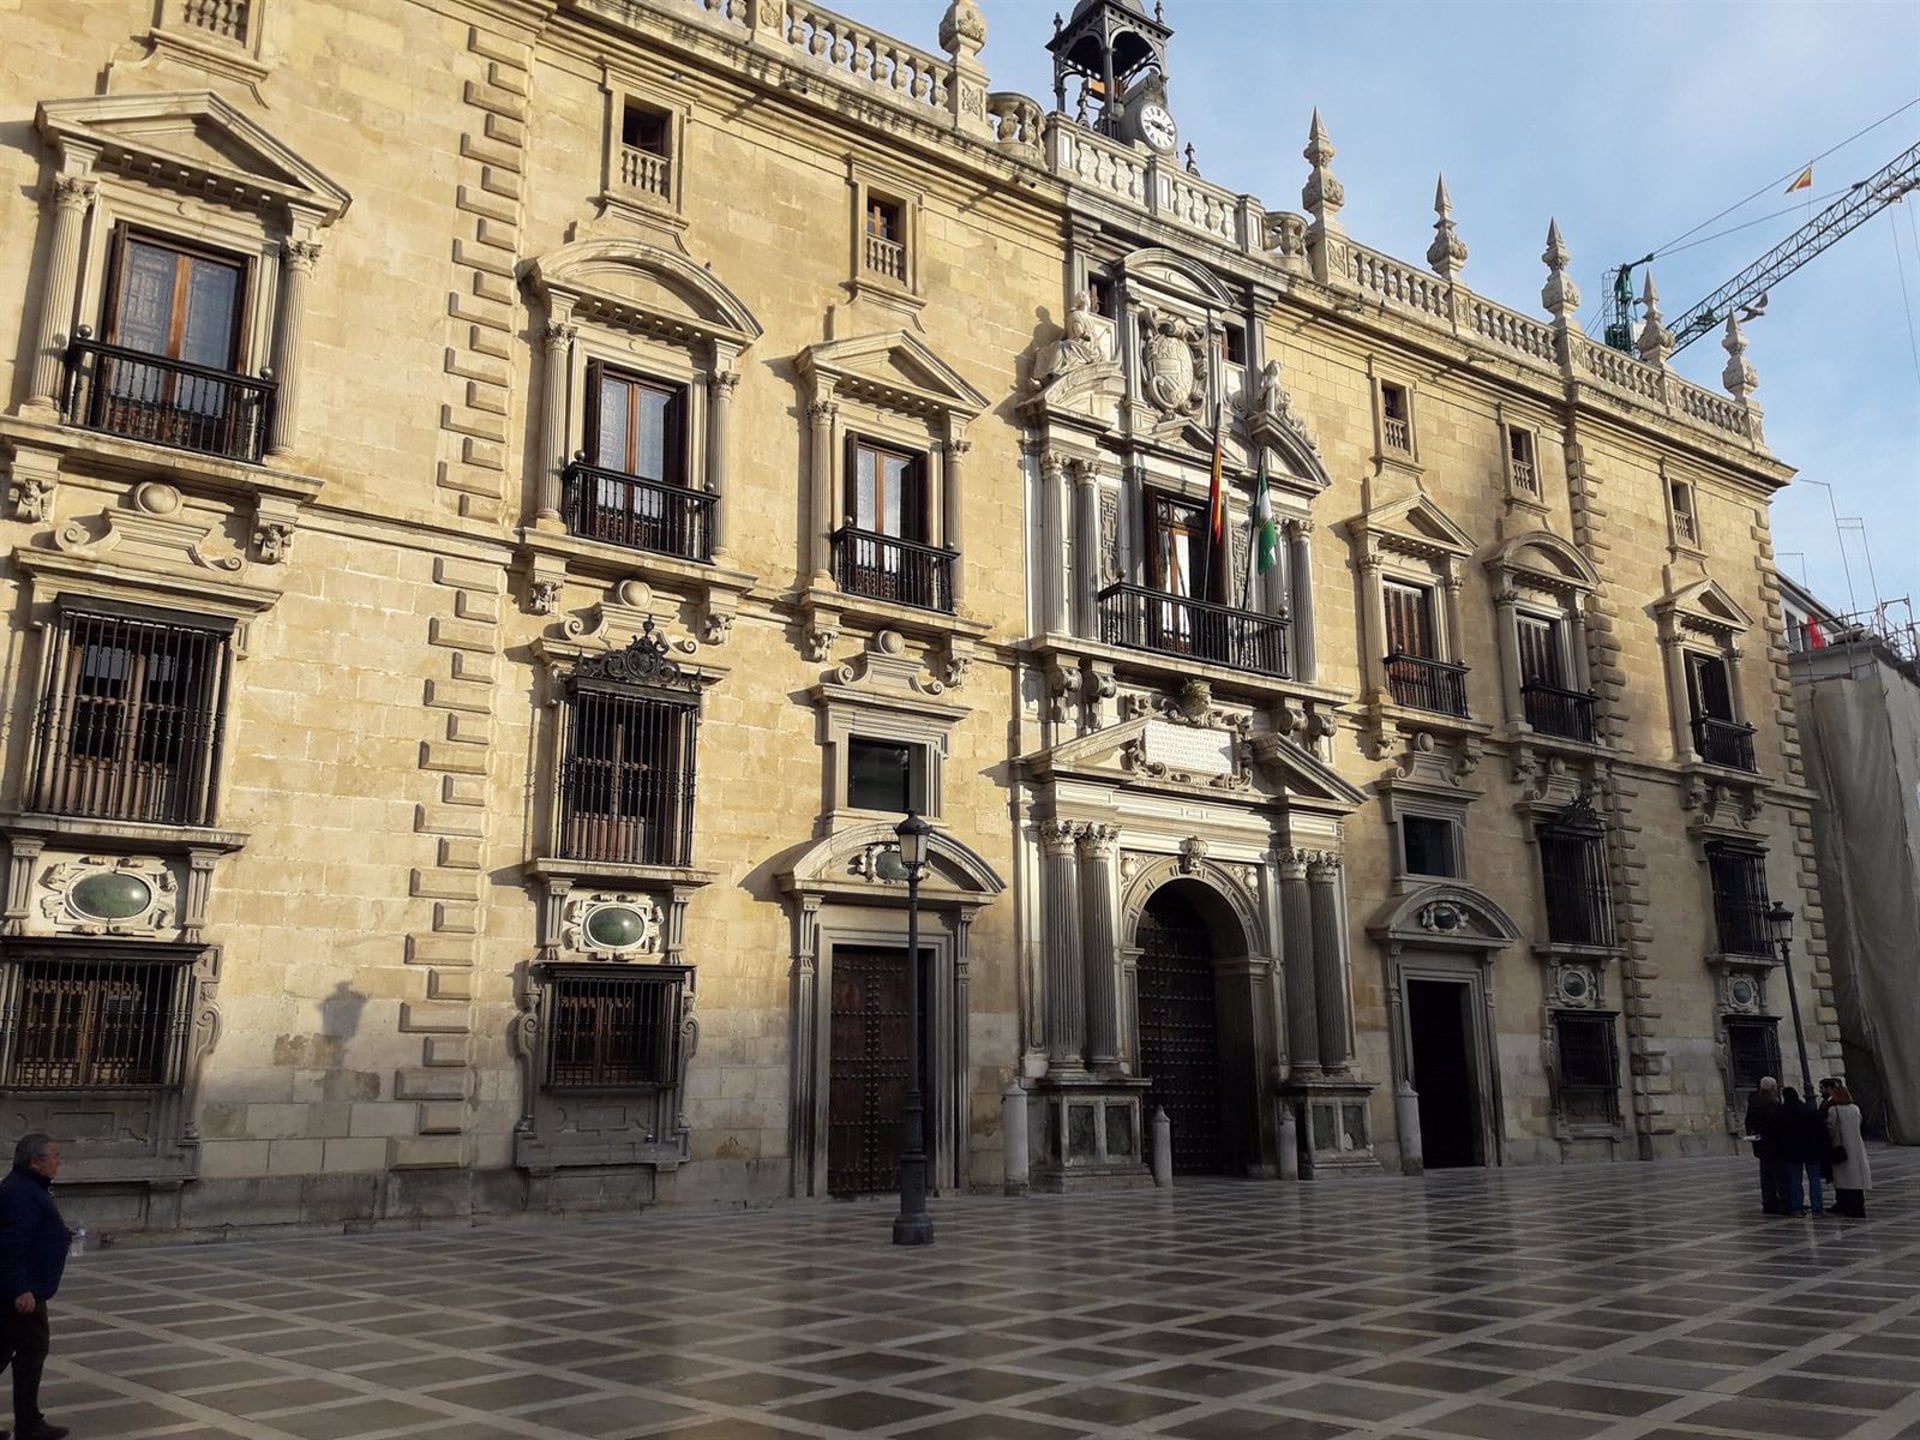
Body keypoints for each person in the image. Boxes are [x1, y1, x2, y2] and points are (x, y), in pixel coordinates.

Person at [0, 1133, 71, 1440]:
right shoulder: (21, 1193)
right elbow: (10, 1244)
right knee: (32, 1350)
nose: (59, 1162)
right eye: (54, 1156)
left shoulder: (27, 1188)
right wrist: (20, 1288)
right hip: (22, 1292)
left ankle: (29, 1421)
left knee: (5, 1350)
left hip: (23, 1287)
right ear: (35, 1161)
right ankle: (29, 1424)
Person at [1775, 1086, 1825, 1216]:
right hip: (1811, 1149)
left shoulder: (1781, 1112)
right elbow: (1819, 1129)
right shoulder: (1808, 1109)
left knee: (1794, 1180)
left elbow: (1778, 1133)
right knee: (1814, 1179)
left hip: (1791, 1151)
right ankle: (1817, 1209)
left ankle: (1796, 1207)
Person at [1826, 1083, 1872, 1218]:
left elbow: (1831, 1128)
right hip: (1856, 1146)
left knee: (1844, 1179)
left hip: (1841, 1147)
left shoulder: (1834, 1110)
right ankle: (1857, 1205)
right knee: (1856, 1179)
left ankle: (1846, 1205)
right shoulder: (1855, 1109)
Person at [1742, 1076, 1786, 1215]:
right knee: (1778, 1175)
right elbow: (1776, 1124)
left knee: (1765, 1174)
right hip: (1773, 1144)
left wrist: (1753, 1135)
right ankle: (1780, 1202)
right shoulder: (1772, 1103)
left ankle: (1768, 1201)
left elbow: (1748, 1122)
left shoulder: (1754, 1101)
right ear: (1773, 1088)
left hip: (1760, 1144)